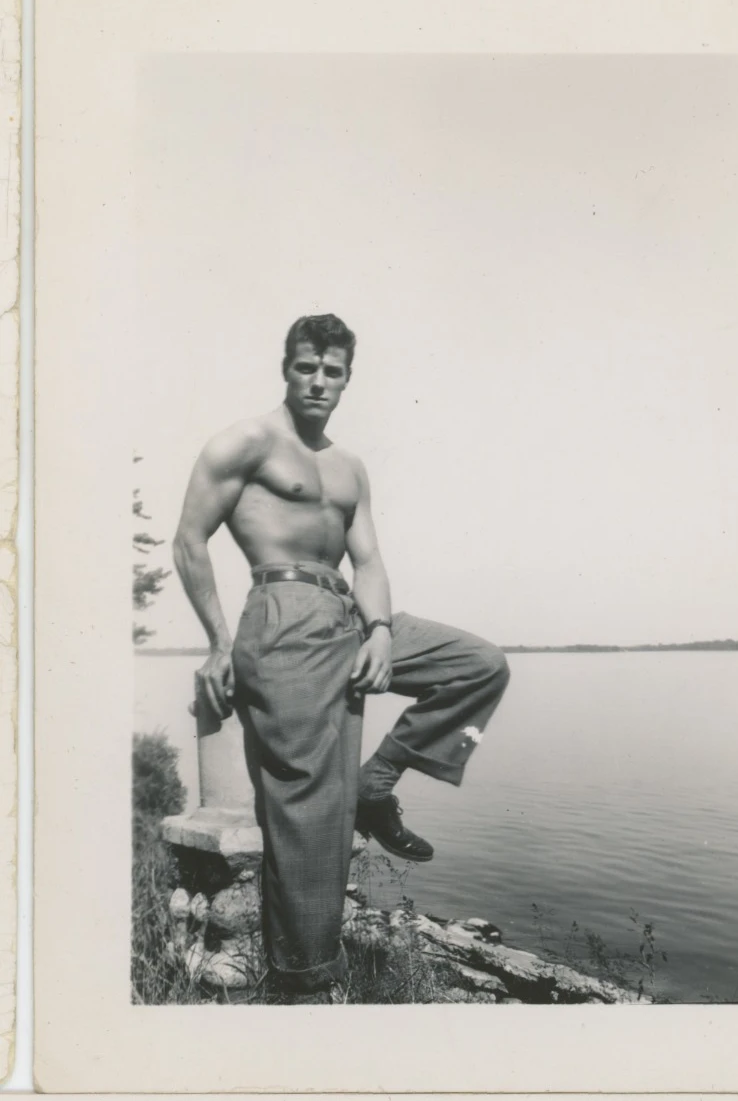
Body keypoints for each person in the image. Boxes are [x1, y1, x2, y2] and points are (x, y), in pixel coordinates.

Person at [173, 314, 510, 1001]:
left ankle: (376, 783)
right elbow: (188, 540)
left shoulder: (349, 466)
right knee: (308, 811)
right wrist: (218, 642)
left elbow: (370, 561)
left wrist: (380, 629)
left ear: (347, 379)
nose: (318, 381)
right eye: (307, 367)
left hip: (350, 615)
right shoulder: (246, 441)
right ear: (286, 369)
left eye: (332, 371)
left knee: (479, 664)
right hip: (284, 614)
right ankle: (304, 982)